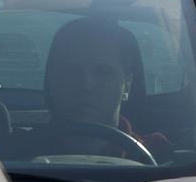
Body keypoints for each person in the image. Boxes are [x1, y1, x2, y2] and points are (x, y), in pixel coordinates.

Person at [42, 17, 170, 160]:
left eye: (103, 72)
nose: (86, 84)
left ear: (127, 85)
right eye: (73, 72)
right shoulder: (17, 156)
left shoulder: (159, 155)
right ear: (53, 81)